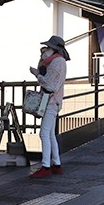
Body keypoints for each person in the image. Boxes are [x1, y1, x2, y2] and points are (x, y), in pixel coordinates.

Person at [28, 35, 69, 178]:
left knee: (44, 133)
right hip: (54, 101)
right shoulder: (58, 61)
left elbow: (49, 84)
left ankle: (46, 166)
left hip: (51, 101)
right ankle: (56, 164)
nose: (46, 51)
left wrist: (38, 75)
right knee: (50, 134)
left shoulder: (57, 62)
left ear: (54, 48)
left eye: (49, 48)